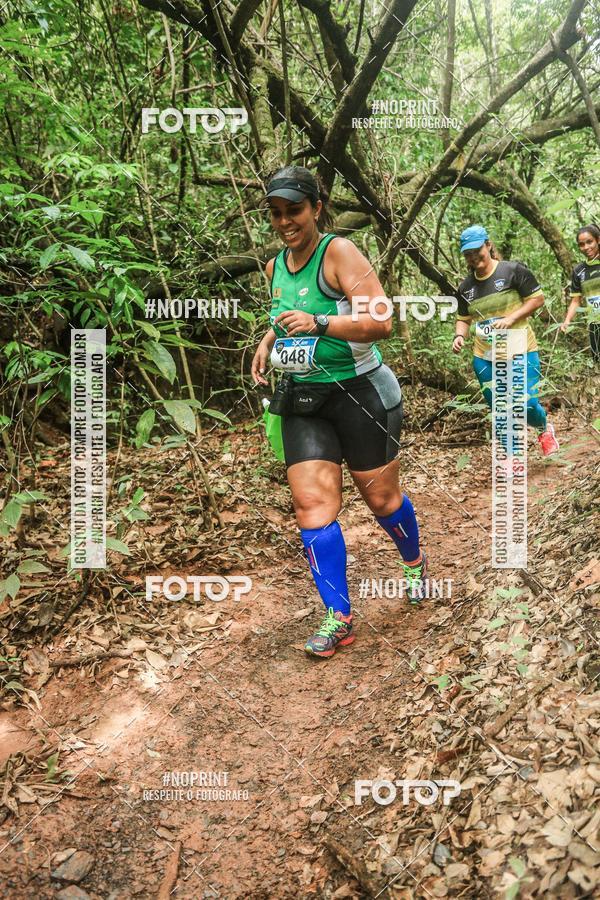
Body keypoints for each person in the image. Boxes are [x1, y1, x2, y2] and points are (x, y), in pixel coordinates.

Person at [251, 165, 427, 659]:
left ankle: (412, 564)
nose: (285, 222)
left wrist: (321, 322)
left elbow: (381, 321)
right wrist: (268, 341)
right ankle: (338, 616)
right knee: (312, 506)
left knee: (383, 502)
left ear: (316, 209)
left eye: (294, 211)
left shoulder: (339, 253)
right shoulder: (275, 267)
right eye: (277, 213)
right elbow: (286, 317)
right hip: (304, 400)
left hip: (360, 393)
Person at [452, 224, 559, 465]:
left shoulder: (512, 271)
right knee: (500, 408)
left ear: (488, 245)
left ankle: (543, 428)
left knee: (524, 401)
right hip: (485, 356)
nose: (472, 257)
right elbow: (463, 318)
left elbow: (537, 299)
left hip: (521, 347)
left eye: (476, 250)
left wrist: (511, 318)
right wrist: (459, 336)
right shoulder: (465, 288)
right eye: (467, 253)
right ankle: (513, 458)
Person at [560, 224, 600, 362]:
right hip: (595, 323)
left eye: (590, 242)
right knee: (597, 359)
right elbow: (576, 300)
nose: (586, 247)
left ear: (598, 240)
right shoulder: (579, 271)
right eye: (582, 244)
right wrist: (567, 320)